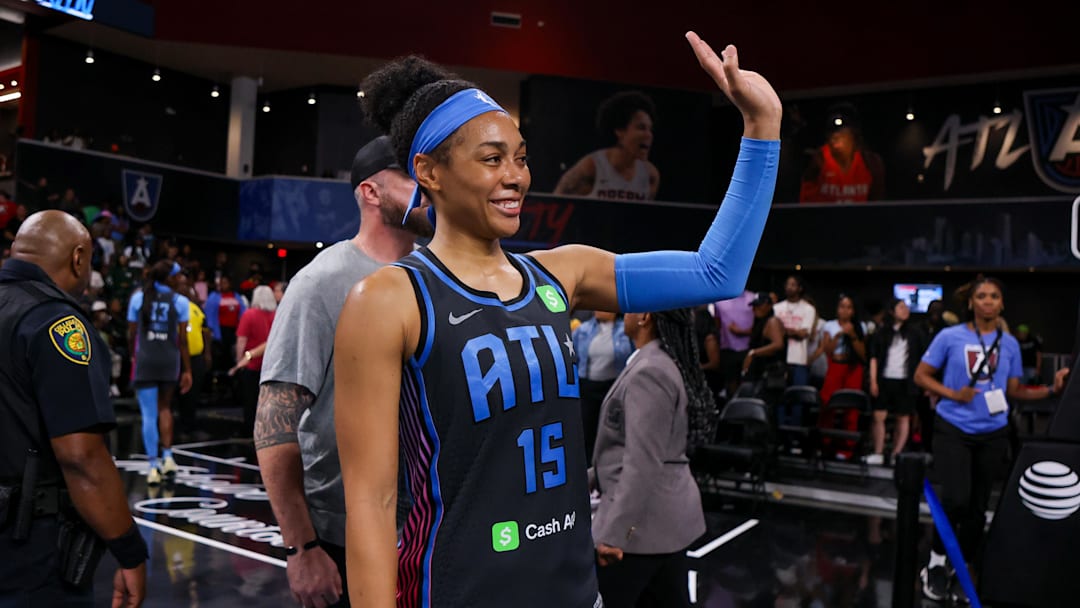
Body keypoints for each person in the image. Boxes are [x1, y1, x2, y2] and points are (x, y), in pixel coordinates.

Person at [334, 34, 781, 606]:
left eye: (520, 157)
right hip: (458, 591)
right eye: (492, 159)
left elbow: (716, 273)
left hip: (574, 591)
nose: (516, 176)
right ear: (430, 172)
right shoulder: (388, 300)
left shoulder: (562, 274)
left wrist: (762, 127)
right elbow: (371, 504)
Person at [254, 135, 435, 608]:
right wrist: (302, 548)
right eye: (411, 177)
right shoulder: (321, 282)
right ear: (371, 193)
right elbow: (274, 425)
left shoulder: (437, 276)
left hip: (429, 529)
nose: (428, 187)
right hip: (344, 532)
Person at [0, 210, 147, 606]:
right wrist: (130, 551)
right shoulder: (55, 323)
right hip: (28, 549)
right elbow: (80, 456)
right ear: (78, 257)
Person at [914, 277, 1068, 602]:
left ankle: (963, 566)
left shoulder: (1009, 343)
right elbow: (921, 375)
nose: (987, 301)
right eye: (980, 296)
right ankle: (937, 562)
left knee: (977, 509)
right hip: (953, 427)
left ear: (1001, 304)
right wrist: (953, 393)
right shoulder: (950, 336)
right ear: (970, 303)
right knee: (956, 499)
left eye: (993, 296)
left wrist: (1052, 390)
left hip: (993, 432)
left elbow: (1014, 392)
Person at [591, 309, 713, 607]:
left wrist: (613, 533)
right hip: (661, 522)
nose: (624, 313)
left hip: (643, 527)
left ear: (645, 317)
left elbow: (642, 462)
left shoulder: (651, 371)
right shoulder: (654, 362)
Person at [127, 260, 193, 485]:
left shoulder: (138, 298)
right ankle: (168, 457)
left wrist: (133, 357)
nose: (179, 279)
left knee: (148, 414)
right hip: (169, 360)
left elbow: (132, 334)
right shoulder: (180, 301)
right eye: (176, 275)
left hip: (146, 359)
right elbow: (182, 340)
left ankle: (153, 466)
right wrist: (187, 370)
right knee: (165, 408)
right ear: (168, 278)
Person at [554, 91, 660, 200]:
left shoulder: (650, 176)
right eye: (641, 127)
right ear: (620, 131)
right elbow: (554, 204)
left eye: (650, 129)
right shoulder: (592, 167)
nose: (649, 135)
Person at [867, 298, 927, 465]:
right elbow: (873, 357)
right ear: (892, 311)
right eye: (901, 307)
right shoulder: (881, 332)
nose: (905, 310)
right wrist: (873, 381)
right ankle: (878, 452)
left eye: (906, 307)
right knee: (879, 415)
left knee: (903, 416)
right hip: (884, 378)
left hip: (906, 381)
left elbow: (924, 357)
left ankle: (896, 454)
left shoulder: (915, 333)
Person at [572, 311, 634, 464]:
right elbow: (573, 357)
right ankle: (587, 468)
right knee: (587, 431)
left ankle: (611, 465)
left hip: (613, 385)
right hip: (588, 386)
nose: (598, 310)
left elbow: (632, 355)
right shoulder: (583, 329)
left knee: (613, 429)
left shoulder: (624, 330)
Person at [798, 102, 885, 203]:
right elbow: (805, 202)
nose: (836, 135)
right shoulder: (817, 160)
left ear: (854, 133)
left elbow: (877, 203)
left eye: (842, 130)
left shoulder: (871, 162)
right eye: (832, 131)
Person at [232, 285, 277, 433]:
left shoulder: (249, 314)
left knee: (250, 400)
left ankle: (249, 429)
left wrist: (239, 361)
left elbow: (241, 340)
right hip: (270, 365)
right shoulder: (277, 314)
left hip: (251, 364)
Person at [174, 272, 211, 440]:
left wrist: (207, 353)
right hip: (177, 357)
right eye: (181, 285)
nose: (185, 289)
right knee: (178, 393)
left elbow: (205, 331)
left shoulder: (196, 308)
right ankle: (179, 428)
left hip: (196, 357)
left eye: (186, 285)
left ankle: (190, 426)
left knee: (193, 393)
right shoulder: (172, 306)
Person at [773, 275, 816, 386]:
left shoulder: (808, 309)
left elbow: (803, 334)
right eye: (787, 284)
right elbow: (772, 334)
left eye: (793, 285)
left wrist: (783, 331)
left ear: (800, 288)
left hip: (799, 360)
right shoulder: (776, 308)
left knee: (798, 396)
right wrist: (794, 332)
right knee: (778, 396)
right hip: (778, 360)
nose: (789, 287)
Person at [205, 275, 246, 372]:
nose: (222, 285)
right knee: (219, 357)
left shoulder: (237, 297)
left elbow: (243, 313)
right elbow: (209, 315)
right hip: (219, 331)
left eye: (225, 283)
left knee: (231, 357)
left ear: (230, 284)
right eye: (220, 283)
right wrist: (212, 330)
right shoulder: (213, 297)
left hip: (233, 331)